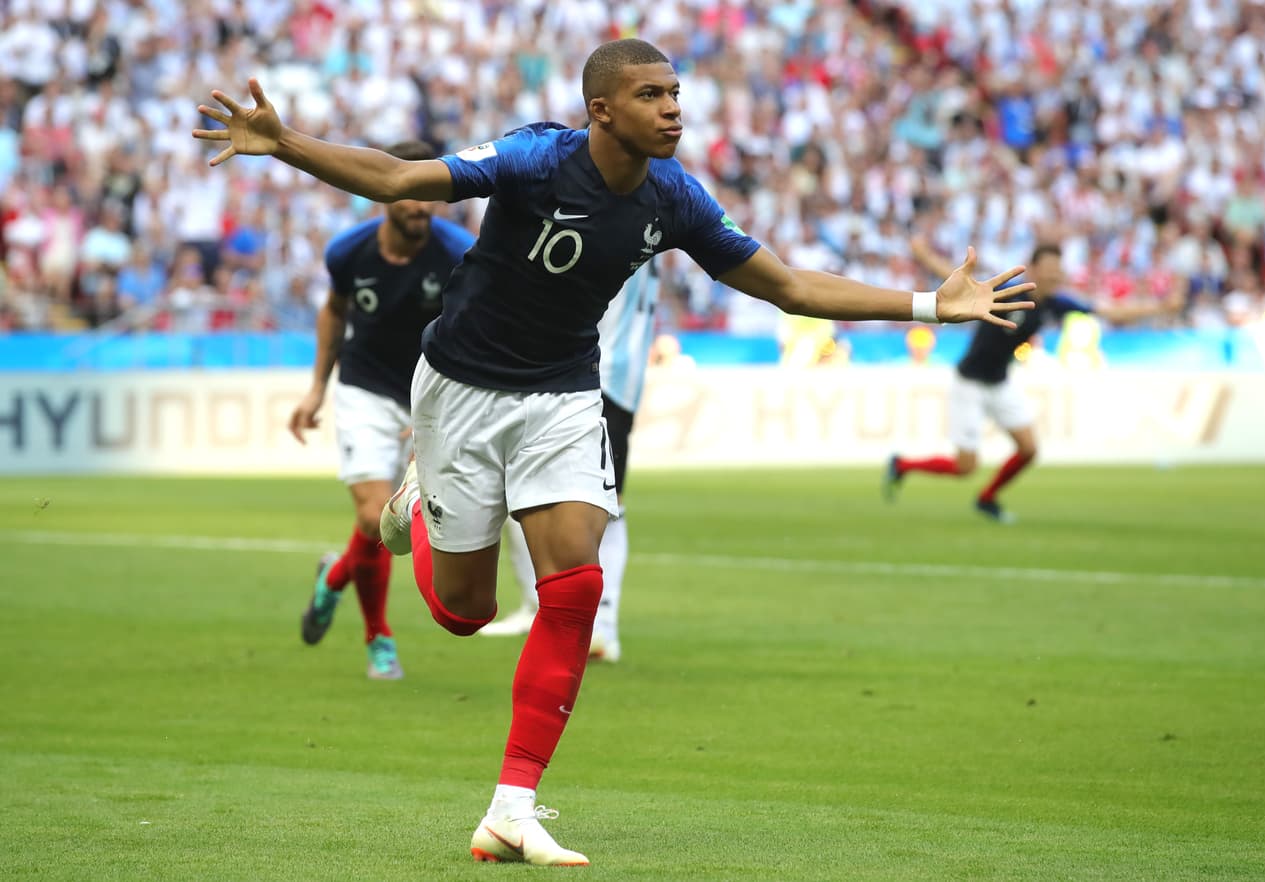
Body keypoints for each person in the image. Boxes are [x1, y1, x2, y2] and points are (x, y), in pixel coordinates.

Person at [194, 38, 1033, 866]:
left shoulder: (675, 198)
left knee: (576, 587)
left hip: (563, 395)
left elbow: (790, 288)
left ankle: (512, 809)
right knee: (464, 614)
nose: (673, 109)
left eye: (675, 93)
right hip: (459, 393)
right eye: (651, 96)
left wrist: (929, 303)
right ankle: (417, 502)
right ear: (602, 109)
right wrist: (287, 144)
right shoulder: (532, 159)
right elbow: (400, 178)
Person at [288, 140, 474, 680]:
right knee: (374, 516)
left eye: (429, 199)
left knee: (388, 526)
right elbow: (334, 312)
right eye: (411, 196)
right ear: (386, 192)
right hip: (364, 388)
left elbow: (469, 334)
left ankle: (334, 577)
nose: (420, 208)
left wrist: (441, 406)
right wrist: (316, 388)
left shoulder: (459, 252)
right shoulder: (348, 252)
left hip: (429, 395)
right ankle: (379, 640)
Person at [884, 236, 1174, 523]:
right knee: (965, 467)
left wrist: (1161, 308)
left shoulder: (1055, 304)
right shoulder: (1009, 294)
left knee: (1029, 449)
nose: (1054, 275)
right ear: (1034, 269)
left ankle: (987, 498)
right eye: (1048, 268)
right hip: (970, 382)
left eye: (1058, 270)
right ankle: (902, 464)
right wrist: (922, 253)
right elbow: (958, 280)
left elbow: (1109, 311)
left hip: (999, 381)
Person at [480, 258, 663, 663]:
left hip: (590, 374)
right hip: (607, 375)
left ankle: (601, 626)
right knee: (527, 490)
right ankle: (545, 608)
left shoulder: (623, 213)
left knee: (602, 504)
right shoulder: (653, 216)